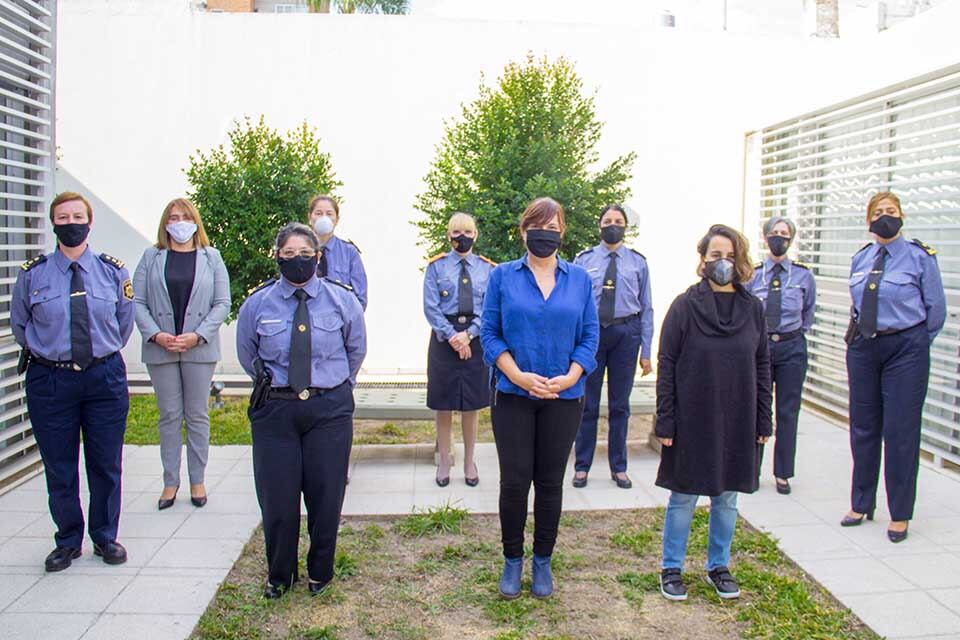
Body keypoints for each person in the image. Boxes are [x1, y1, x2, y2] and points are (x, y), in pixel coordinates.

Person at [237, 222, 366, 598]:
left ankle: (320, 572)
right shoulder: (257, 304)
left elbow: (355, 349)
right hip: (276, 410)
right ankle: (280, 575)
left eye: (305, 255)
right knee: (278, 497)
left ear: (318, 257)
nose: (298, 262)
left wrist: (335, 385)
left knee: (326, 495)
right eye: (289, 255)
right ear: (277, 257)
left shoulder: (342, 300)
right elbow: (249, 354)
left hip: (329, 409)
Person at [481, 197, 599, 600]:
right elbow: (490, 333)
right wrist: (515, 374)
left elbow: (590, 336)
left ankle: (543, 560)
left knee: (550, 482)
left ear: (563, 231)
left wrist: (569, 377)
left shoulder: (580, 279)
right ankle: (512, 560)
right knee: (514, 482)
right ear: (523, 231)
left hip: (564, 398)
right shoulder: (502, 277)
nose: (545, 232)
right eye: (537, 225)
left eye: (553, 225)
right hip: (514, 394)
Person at [11, 191, 135, 571]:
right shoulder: (32, 275)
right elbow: (21, 325)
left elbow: (123, 322)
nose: (70, 223)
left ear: (90, 221)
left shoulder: (113, 272)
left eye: (77, 216)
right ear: (53, 224)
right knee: (60, 465)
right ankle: (67, 540)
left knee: (105, 463)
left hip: (104, 377)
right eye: (62, 218)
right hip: (51, 379)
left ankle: (104, 536)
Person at [654, 224, 772, 602]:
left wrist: (763, 418)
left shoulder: (753, 309)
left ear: (741, 261)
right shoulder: (685, 307)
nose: (723, 262)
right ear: (703, 260)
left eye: (730, 255)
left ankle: (718, 566)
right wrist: (665, 419)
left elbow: (763, 365)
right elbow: (667, 363)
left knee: (727, 498)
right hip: (693, 416)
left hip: (737, 417)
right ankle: (671, 568)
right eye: (715, 255)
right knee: (684, 495)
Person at [841, 192, 945, 543]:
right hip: (863, 347)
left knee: (900, 433)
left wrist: (913, 343)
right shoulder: (861, 258)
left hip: (906, 350)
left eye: (891, 211)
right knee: (863, 427)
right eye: (878, 212)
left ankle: (900, 513)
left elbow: (936, 310)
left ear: (902, 217)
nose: (885, 216)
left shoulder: (919, 257)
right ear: (868, 220)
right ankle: (861, 502)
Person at [133, 198, 231, 510]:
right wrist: (157, 335)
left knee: (197, 414)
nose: (179, 222)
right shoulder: (151, 256)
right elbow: (137, 302)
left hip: (198, 348)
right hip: (161, 348)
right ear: (165, 224)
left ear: (195, 222)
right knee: (170, 415)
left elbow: (222, 302)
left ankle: (197, 479)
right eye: (173, 217)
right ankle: (170, 482)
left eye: (185, 216)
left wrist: (197, 335)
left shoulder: (211, 257)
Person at [573, 205, 654, 489]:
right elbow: (574, 304)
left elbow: (647, 308)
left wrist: (646, 351)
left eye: (618, 221)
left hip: (626, 334)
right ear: (599, 225)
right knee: (587, 404)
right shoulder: (583, 260)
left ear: (626, 227)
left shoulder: (638, 262)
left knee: (620, 405)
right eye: (607, 220)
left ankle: (618, 467)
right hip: (592, 334)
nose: (613, 225)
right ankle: (582, 466)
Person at [422, 213, 496, 487]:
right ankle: (444, 460)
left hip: (474, 339)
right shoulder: (436, 267)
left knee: (471, 405)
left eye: (467, 231)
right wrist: (454, 337)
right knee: (443, 404)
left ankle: (469, 461)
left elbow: (490, 307)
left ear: (475, 234)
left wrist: (469, 335)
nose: (461, 236)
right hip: (444, 339)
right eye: (456, 232)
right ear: (448, 235)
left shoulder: (487, 268)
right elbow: (431, 306)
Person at [746, 216, 815, 495]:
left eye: (784, 234)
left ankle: (783, 473)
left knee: (788, 412)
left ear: (791, 239)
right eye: (774, 233)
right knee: (757, 408)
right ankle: (752, 470)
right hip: (760, 348)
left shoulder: (803, 275)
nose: (779, 237)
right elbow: (746, 311)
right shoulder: (754, 274)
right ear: (765, 238)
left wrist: (792, 335)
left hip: (792, 347)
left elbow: (808, 312)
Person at [308, 194, 368, 310]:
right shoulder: (299, 251)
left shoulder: (350, 253)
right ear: (310, 217)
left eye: (329, 214)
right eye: (318, 213)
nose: (324, 218)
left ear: (337, 220)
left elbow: (360, 298)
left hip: (339, 322)